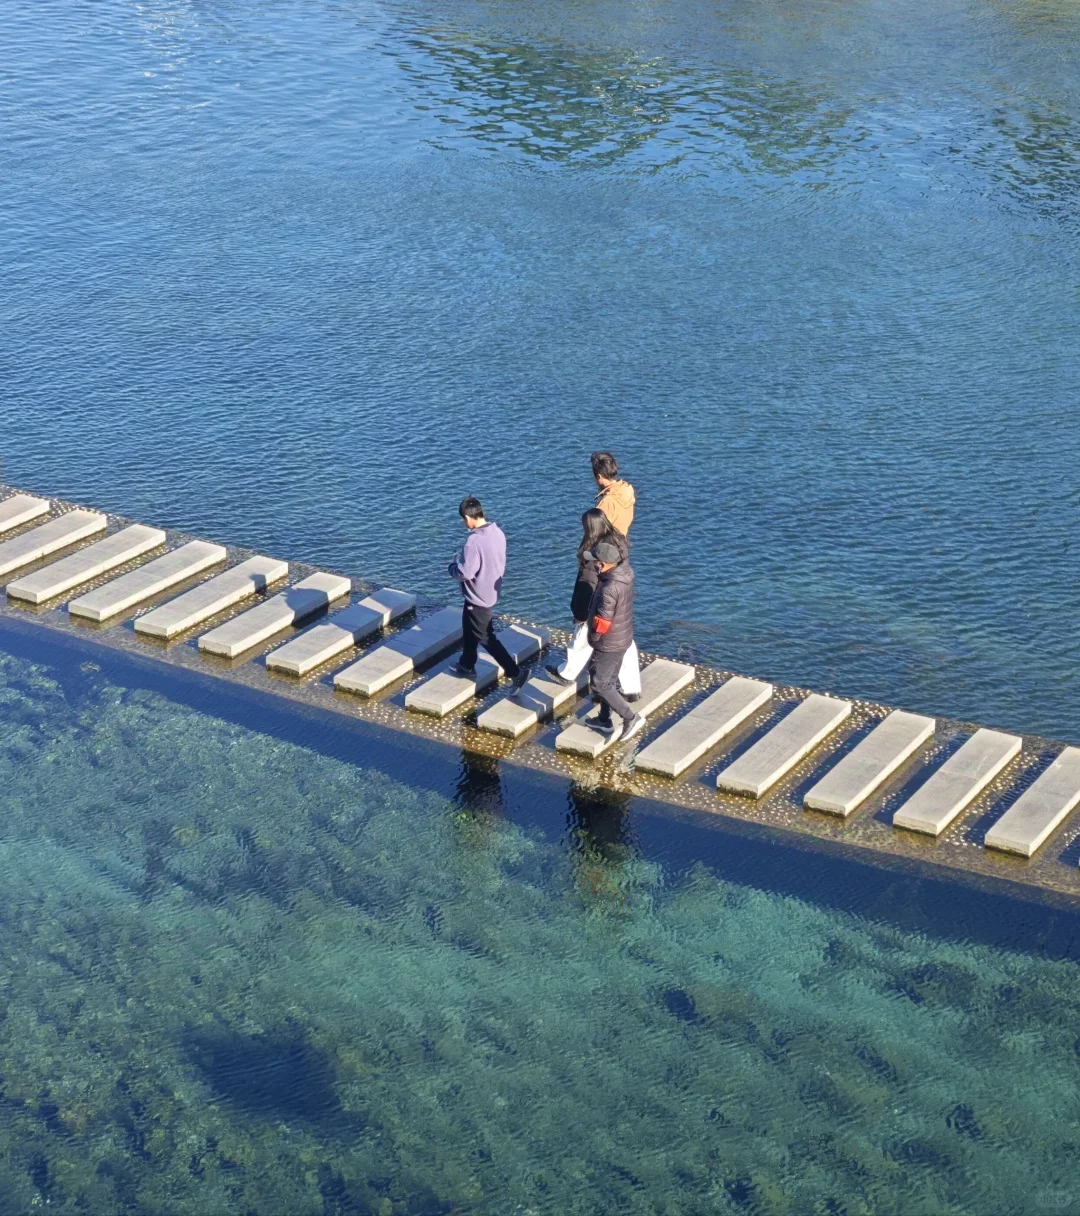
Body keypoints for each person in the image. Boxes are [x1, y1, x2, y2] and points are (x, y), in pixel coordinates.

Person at [545, 509, 641, 697]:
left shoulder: (596, 554)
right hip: (623, 595)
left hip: (601, 602)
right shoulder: (619, 541)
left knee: (583, 636)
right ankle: (632, 688)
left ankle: (567, 673)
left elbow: (587, 586)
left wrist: (579, 614)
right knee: (625, 641)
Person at [448, 497, 531, 689]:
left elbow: (465, 572)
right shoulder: (498, 533)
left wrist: (453, 566)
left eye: (464, 519)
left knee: (486, 637)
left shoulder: (473, 541)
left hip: (478, 597)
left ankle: (516, 673)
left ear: (469, 517)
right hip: (490, 592)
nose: (464, 523)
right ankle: (467, 664)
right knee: (469, 627)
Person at [583, 540, 647, 742]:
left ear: (602, 564)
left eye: (595, 561)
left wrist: (593, 637)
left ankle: (630, 718)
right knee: (608, 680)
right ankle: (604, 719)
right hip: (623, 637)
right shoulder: (625, 576)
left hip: (608, 643)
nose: (593, 564)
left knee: (599, 683)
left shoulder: (608, 589)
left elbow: (602, 622)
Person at [592, 450, 635, 536]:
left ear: (599, 476)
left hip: (607, 547)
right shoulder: (626, 490)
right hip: (622, 544)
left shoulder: (607, 502)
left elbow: (595, 534)